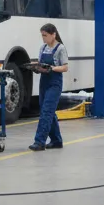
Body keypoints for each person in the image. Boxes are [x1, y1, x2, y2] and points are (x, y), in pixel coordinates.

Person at [29, 23, 69, 152]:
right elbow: (41, 64)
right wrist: (36, 68)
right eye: (42, 36)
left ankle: (39, 141)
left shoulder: (60, 48)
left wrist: (52, 68)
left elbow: (65, 67)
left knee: (46, 111)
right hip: (44, 82)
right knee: (47, 111)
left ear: (53, 34)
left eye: (45, 35)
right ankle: (56, 140)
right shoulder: (43, 48)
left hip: (54, 83)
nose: (43, 38)